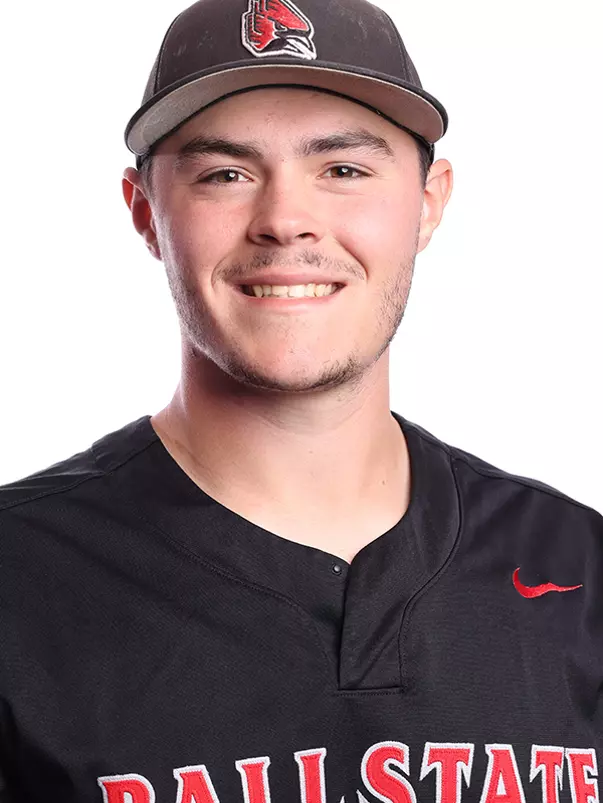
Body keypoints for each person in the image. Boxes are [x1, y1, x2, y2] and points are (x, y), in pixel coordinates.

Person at [0, 0, 601, 800]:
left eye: (343, 170)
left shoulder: (577, 565)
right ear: (145, 213)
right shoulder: (19, 579)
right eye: (225, 174)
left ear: (429, 201)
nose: (285, 220)